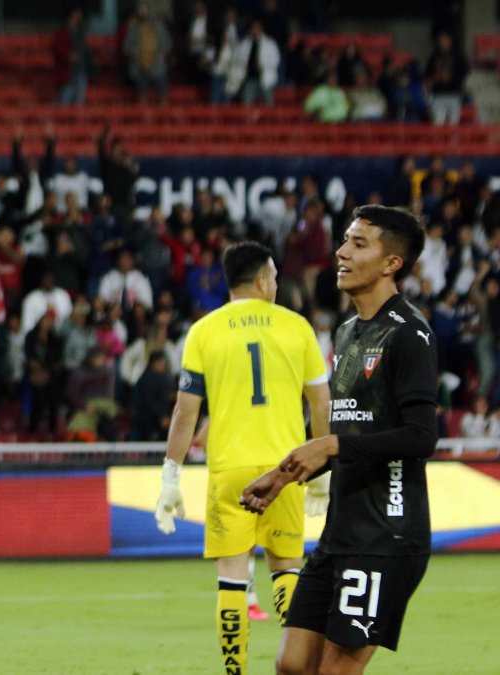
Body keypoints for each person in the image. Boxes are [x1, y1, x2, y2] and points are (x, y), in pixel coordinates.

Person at [242, 205, 437, 674]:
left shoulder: (410, 334)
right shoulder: (348, 333)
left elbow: (420, 437)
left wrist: (328, 446)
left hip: (386, 534)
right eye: (345, 240)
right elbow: (353, 431)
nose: (342, 252)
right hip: (340, 532)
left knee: (334, 671)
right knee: (292, 665)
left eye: (359, 243)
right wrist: (285, 474)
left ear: (392, 263)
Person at [155, 241, 331, 675]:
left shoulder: (204, 331)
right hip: (286, 468)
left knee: (233, 574)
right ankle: (300, 666)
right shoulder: (297, 327)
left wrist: (170, 475)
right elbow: (322, 404)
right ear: (261, 280)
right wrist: (320, 472)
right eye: (273, 275)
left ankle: (235, 672)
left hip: (230, 469)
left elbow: (186, 411)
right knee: (288, 569)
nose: (275, 282)